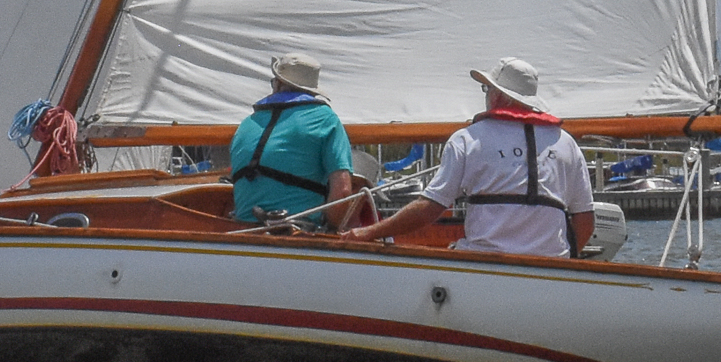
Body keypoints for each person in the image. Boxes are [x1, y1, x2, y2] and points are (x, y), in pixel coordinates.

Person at [340, 57, 593, 258]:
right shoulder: (566, 143)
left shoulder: (468, 139)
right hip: (552, 269)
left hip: (483, 267)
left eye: (487, 88)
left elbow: (429, 209)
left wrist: (367, 233)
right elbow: (585, 220)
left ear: (498, 95)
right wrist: (563, 264)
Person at [224, 51, 354, 229]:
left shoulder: (246, 124)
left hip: (242, 231)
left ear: (278, 84)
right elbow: (343, 191)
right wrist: (332, 231)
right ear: (311, 91)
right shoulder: (325, 119)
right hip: (298, 232)